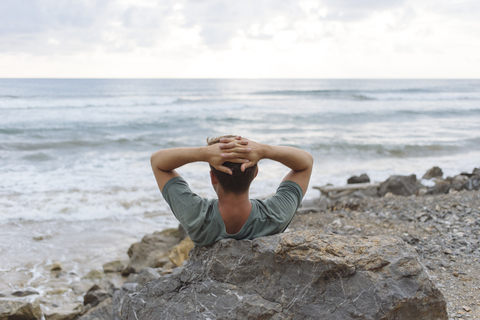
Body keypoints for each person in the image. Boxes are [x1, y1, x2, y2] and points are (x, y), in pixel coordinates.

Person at [151, 135, 313, 246]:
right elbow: (305, 163)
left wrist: (202, 153)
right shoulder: (274, 217)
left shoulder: (197, 218)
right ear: (255, 174)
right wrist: (264, 150)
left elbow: (157, 161)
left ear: (213, 177)